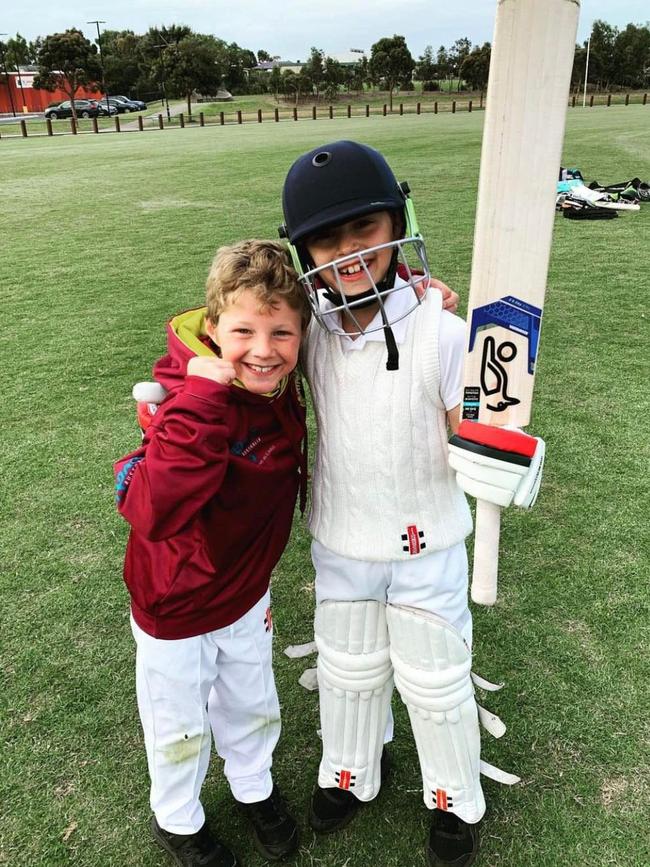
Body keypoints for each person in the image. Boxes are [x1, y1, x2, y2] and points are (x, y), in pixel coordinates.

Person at [279, 140, 544, 867]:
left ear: (398, 224)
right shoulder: (304, 331)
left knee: (433, 673)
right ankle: (353, 771)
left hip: (427, 541)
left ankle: (455, 797)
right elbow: (239, 341)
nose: (346, 252)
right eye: (326, 240)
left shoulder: (441, 329)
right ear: (304, 252)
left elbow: (484, 424)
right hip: (340, 536)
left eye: (364, 229)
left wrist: (500, 459)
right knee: (348, 666)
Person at [114, 239, 311, 867]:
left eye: (281, 331)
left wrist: (424, 294)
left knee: (253, 702)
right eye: (244, 329)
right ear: (212, 326)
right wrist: (198, 402)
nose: (263, 348)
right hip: (175, 600)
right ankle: (178, 819)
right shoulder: (185, 400)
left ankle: (254, 789)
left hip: (246, 589)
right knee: (178, 724)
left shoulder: (282, 384)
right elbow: (154, 510)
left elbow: (355, 324)